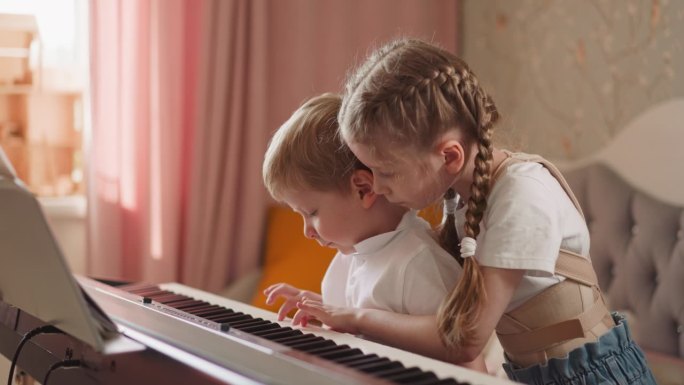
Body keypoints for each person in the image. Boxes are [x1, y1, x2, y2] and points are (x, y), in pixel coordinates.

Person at [295, 39, 657, 385]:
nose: (376, 185)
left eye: (386, 172)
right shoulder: (461, 195)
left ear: (449, 156)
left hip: (594, 374)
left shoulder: (521, 195)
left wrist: (355, 317)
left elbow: (465, 338)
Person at [261, 93, 488, 372]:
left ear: (364, 189)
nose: (307, 231)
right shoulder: (352, 255)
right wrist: (317, 307)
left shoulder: (417, 262)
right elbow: (369, 323)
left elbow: (465, 355)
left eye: (312, 213)